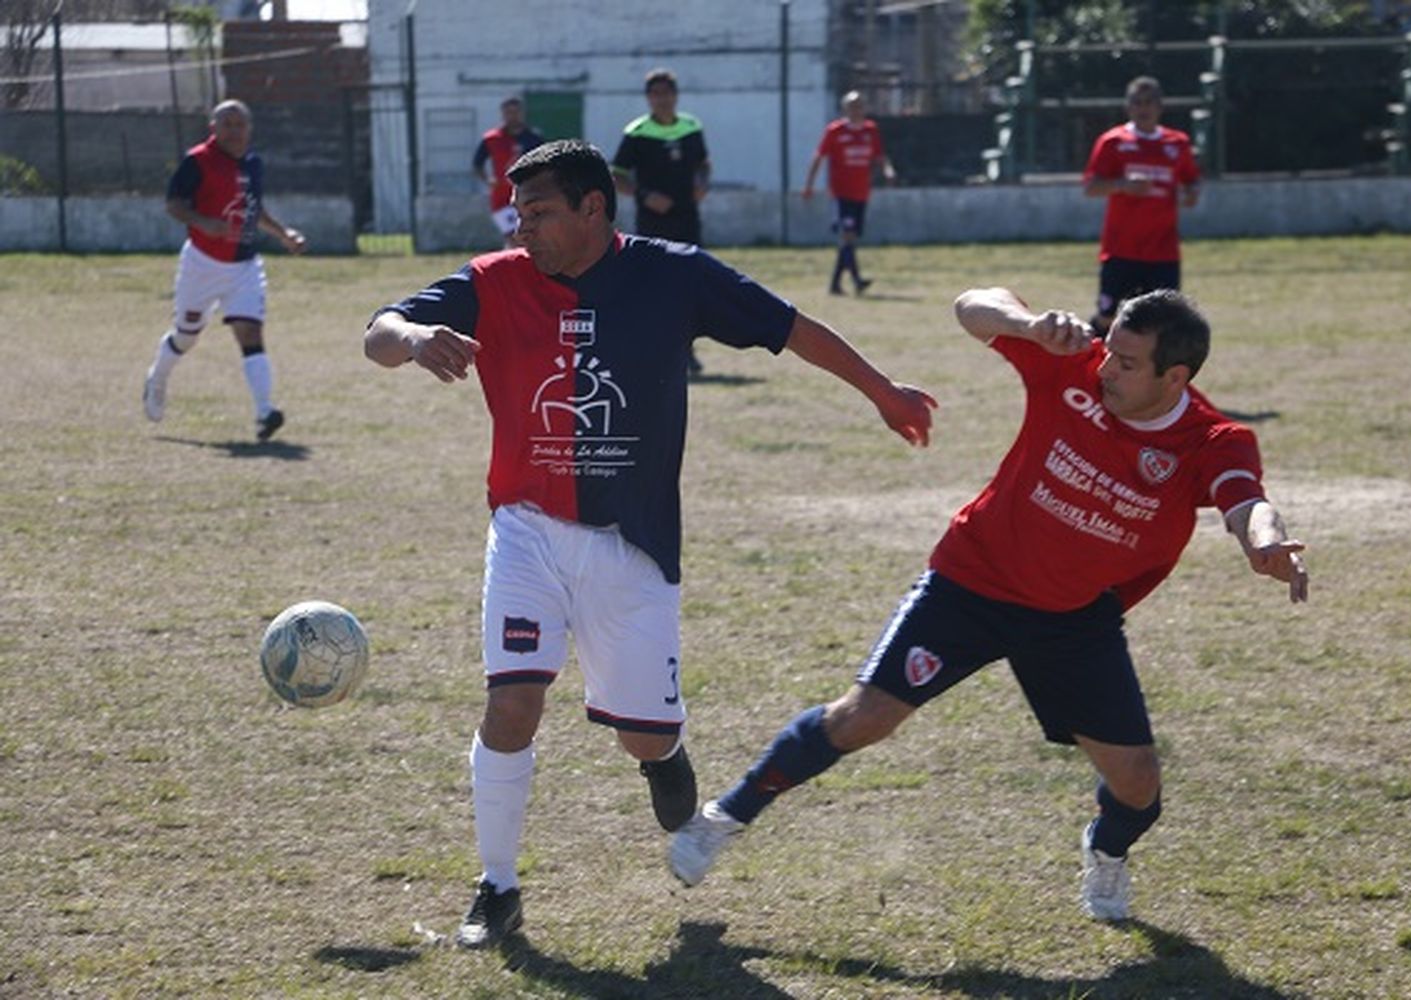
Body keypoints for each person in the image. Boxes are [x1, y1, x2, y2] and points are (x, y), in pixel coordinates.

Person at [364, 139, 936, 948]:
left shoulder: (676, 274)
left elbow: (791, 328)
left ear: (594, 207)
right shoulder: (493, 279)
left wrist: (882, 390)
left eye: (540, 212)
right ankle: (497, 887)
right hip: (526, 532)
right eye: (517, 213)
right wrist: (415, 339)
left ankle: (662, 756)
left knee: (644, 735)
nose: (521, 227)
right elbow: (380, 330)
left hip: (632, 549)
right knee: (511, 703)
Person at [671, 286, 1309, 923]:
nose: (1107, 369)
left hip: (1072, 616)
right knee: (862, 717)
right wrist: (1029, 326)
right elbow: (970, 306)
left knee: (1139, 785)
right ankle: (725, 816)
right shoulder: (1070, 362)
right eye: (1110, 350)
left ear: (1176, 376)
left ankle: (1106, 850)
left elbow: (1245, 500)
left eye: (1127, 363)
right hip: (972, 583)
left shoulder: (1211, 439)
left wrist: (1267, 541)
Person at [141, 99, 306, 441]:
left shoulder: (253, 164)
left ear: (250, 129)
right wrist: (203, 223)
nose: (234, 131)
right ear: (213, 128)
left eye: (240, 124)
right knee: (186, 337)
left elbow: (253, 209)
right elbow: (174, 204)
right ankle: (157, 379)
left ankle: (265, 412)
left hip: (244, 266)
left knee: (250, 332)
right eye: (226, 124)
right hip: (201, 264)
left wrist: (284, 233)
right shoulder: (197, 160)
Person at [611, 67, 711, 376]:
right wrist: (644, 195)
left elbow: (704, 164)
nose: (662, 99)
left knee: (689, 282)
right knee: (653, 285)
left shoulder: (691, 127)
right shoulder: (637, 132)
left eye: (666, 92)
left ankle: (687, 349)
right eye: (655, 94)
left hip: (687, 218)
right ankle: (654, 349)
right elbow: (617, 174)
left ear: (675, 95)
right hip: (653, 221)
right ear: (648, 98)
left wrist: (702, 184)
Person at [1083, 76, 1202, 336]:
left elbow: (1192, 181)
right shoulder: (1113, 142)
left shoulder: (1176, 144)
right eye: (1137, 102)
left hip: (1163, 252)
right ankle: (1087, 367)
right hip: (1120, 249)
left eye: (1149, 102)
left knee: (1163, 323)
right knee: (1108, 318)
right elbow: (1091, 187)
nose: (1143, 108)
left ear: (1160, 107)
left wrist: (1191, 194)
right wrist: (1123, 185)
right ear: (1128, 107)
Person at [803, 90, 896, 296]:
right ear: (845, 109)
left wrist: (888, 170)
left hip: (861, 193)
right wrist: (809, 185)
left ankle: (835, 284)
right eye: (852, 106)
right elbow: (818, 158)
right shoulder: (835, 131)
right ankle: (856, 280)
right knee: (847, 235)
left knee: (849, 239)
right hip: (841, 193)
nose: (856, 110)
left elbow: (880, 156)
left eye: (860, 105)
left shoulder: (871, 130)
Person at [473, 96, 545, 246]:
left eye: (516, 112)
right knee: (513, 236)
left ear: (522, 113)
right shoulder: (492, 138)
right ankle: (514, 264)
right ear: (503, 114)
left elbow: (545, 164)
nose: (513, 116)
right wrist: (487, 180)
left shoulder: (534, 138)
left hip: (527, 195)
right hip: (501, 198)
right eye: (509, 112)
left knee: (528, 236)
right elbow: (477, 164)